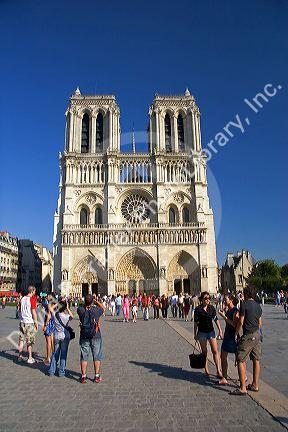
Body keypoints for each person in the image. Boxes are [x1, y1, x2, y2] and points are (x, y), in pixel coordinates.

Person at [230, 286, 262, 396]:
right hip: (257, 334)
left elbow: (241, 322)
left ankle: (243, 387)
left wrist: (236, 333)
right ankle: (255, 384)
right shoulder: (258, 306)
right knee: (256, 360)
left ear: (247, 294)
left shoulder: (244, 304)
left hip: (248, 335)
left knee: (240, 359)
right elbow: (259, 323)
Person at [194, 291, 222, 377]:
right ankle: (206, 370)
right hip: (202, 332)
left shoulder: (211, 308)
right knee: (204, 352)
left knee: (215, 350)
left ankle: (218, 370)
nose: (208, 300)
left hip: (211, 331)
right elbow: (195, 323)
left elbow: (215, 319)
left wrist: (220, 330)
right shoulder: (198, 309)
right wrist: (195, 334)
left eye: (209, 298)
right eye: (206, 298)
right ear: (202, 299)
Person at [77, 294, 105, 383]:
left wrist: (86, 302)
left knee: (84, 356)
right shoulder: (96, 310)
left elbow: (79, 305)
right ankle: (96, 376)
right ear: (92, 301)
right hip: (95, 335)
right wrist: (96, 301)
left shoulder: (80, 310)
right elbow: (103, 308)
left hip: (84, 336)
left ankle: (83, 376)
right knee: (96, 356)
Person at [218, 294, 239, 385]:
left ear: (231, 300)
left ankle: (243, 376)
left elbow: (235, 325)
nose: (224, 301)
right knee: (223, 356)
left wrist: (224, 316)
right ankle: (224, 377)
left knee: (238, 358)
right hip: (227, 335)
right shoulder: (229, 310)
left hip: (232, 336)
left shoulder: (235, 311)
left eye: (225, 299)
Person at [48, 300, 73, 377]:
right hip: (65, 337)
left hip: (57, 336)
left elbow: (50, 308)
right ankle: (61, 372)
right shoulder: (66, 316)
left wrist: (57, 304)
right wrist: (68, 308)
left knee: (55, 353)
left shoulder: (55, 314)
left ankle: (52, 371)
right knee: (63, 355)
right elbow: (72, 316)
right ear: (65, 308)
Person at [18, 286, 38, 364]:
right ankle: (30, 358)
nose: (35, 293)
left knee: (21, 340)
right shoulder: (32, 299)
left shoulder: (22, 299)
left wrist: (21, 319)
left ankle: (20, 356)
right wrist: (36, 322)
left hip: (22, 322)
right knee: (29, 341)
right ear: (32, 291)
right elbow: (33, 312)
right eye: (35, 291)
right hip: (29, 322)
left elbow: (19, 310)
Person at [43, 295, 57, 365]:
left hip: (49, 323)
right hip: (53, 323)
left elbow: (48, 315)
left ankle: (48, 357)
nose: (47, 296)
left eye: (48, 295)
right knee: (52, 341)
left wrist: (45, 325)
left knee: (48, 341)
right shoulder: (54, 304)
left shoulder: (50, 304)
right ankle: (54, 357)